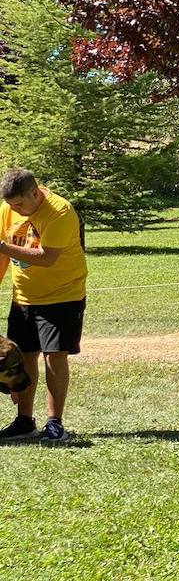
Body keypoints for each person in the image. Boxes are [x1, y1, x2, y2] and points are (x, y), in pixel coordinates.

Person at [0, 168, 88, 443]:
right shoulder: (7, 209)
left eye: (19, 204)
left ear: (35, 193)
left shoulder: (60, 212)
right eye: (11, 205)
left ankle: (55, 423)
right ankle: (25, 422)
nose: (15, 209)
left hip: (62, 296)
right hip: (24, 297)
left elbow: (46, 257)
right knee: (24, 356)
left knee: (54, 356)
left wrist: (3, 247)